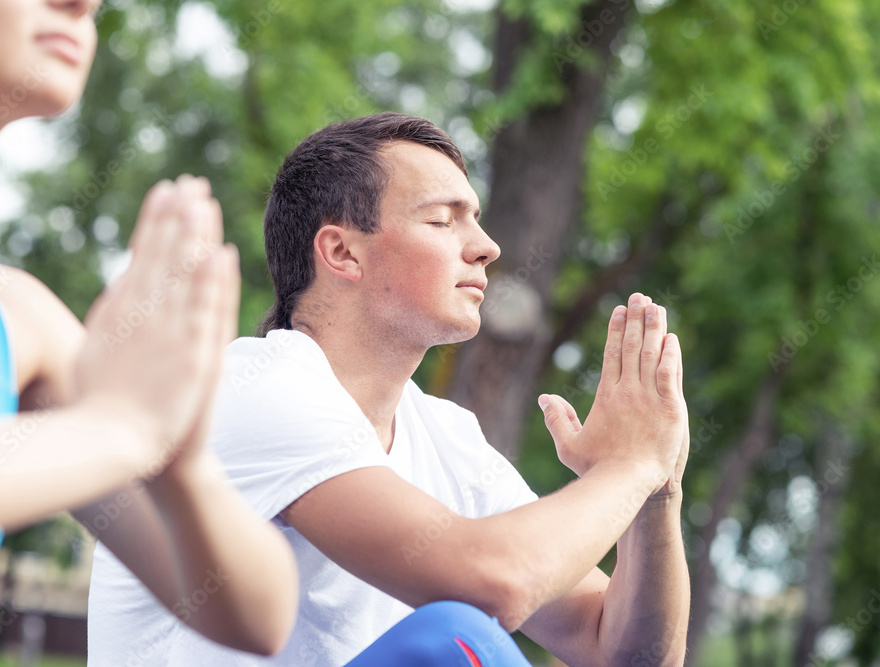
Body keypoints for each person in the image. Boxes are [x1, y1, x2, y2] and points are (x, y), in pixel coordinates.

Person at [87, 112, 691, 666]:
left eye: (475, 219)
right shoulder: (261, 390)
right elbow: (495, 582)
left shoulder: (449, 438)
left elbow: (622, 652)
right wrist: (628, 466)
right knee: (455, 644)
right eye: (442, 219)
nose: (485, 247)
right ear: (343, 252)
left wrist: (655, 491)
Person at [0, 1, 297, 664]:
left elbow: (258, 616)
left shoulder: (18, 320)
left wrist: (180, 465)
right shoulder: (104, 415)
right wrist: (119, 429)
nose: (83, 4)